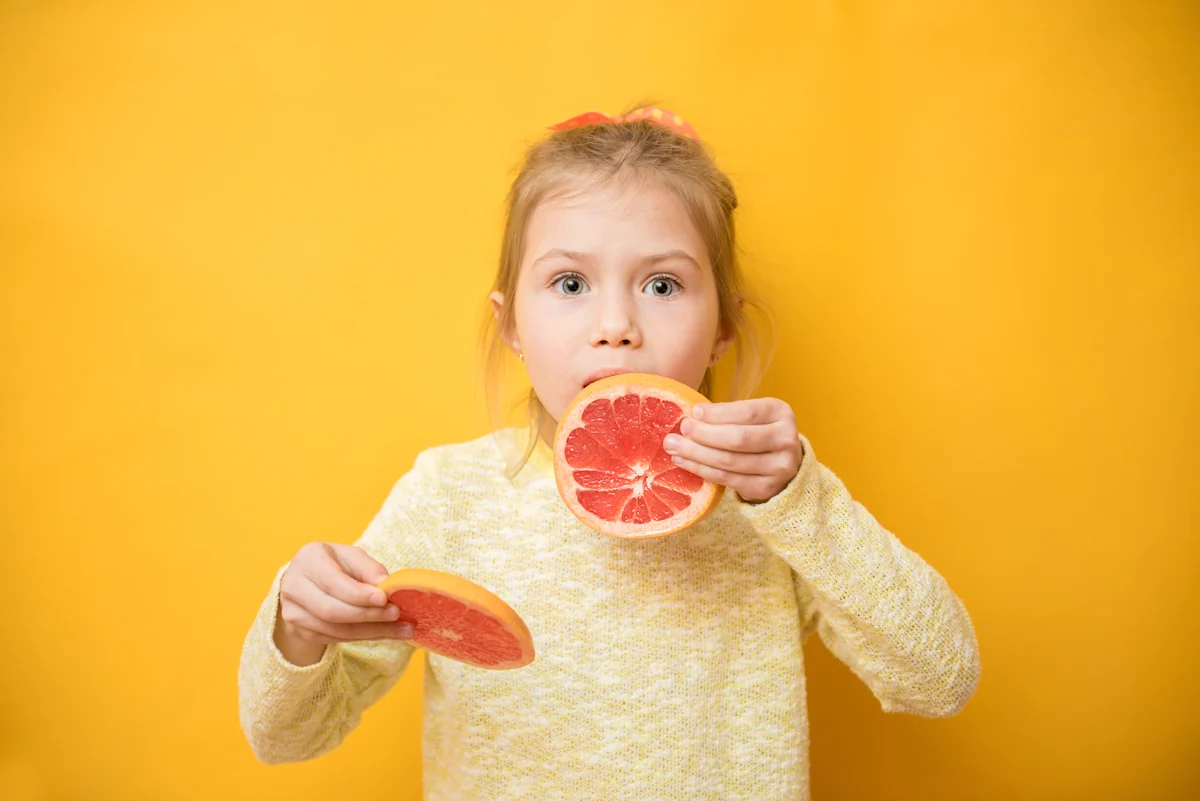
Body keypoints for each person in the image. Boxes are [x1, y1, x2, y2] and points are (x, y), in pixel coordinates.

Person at [237, 105, 980, 800]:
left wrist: (798, 498)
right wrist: (298, 628)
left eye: (662, 284)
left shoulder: (774, 506)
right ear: (512, 324)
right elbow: (285, 736)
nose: (617, 323)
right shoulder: (451, 494)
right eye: (569, 282)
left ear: (723, 325)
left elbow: (940, 677)